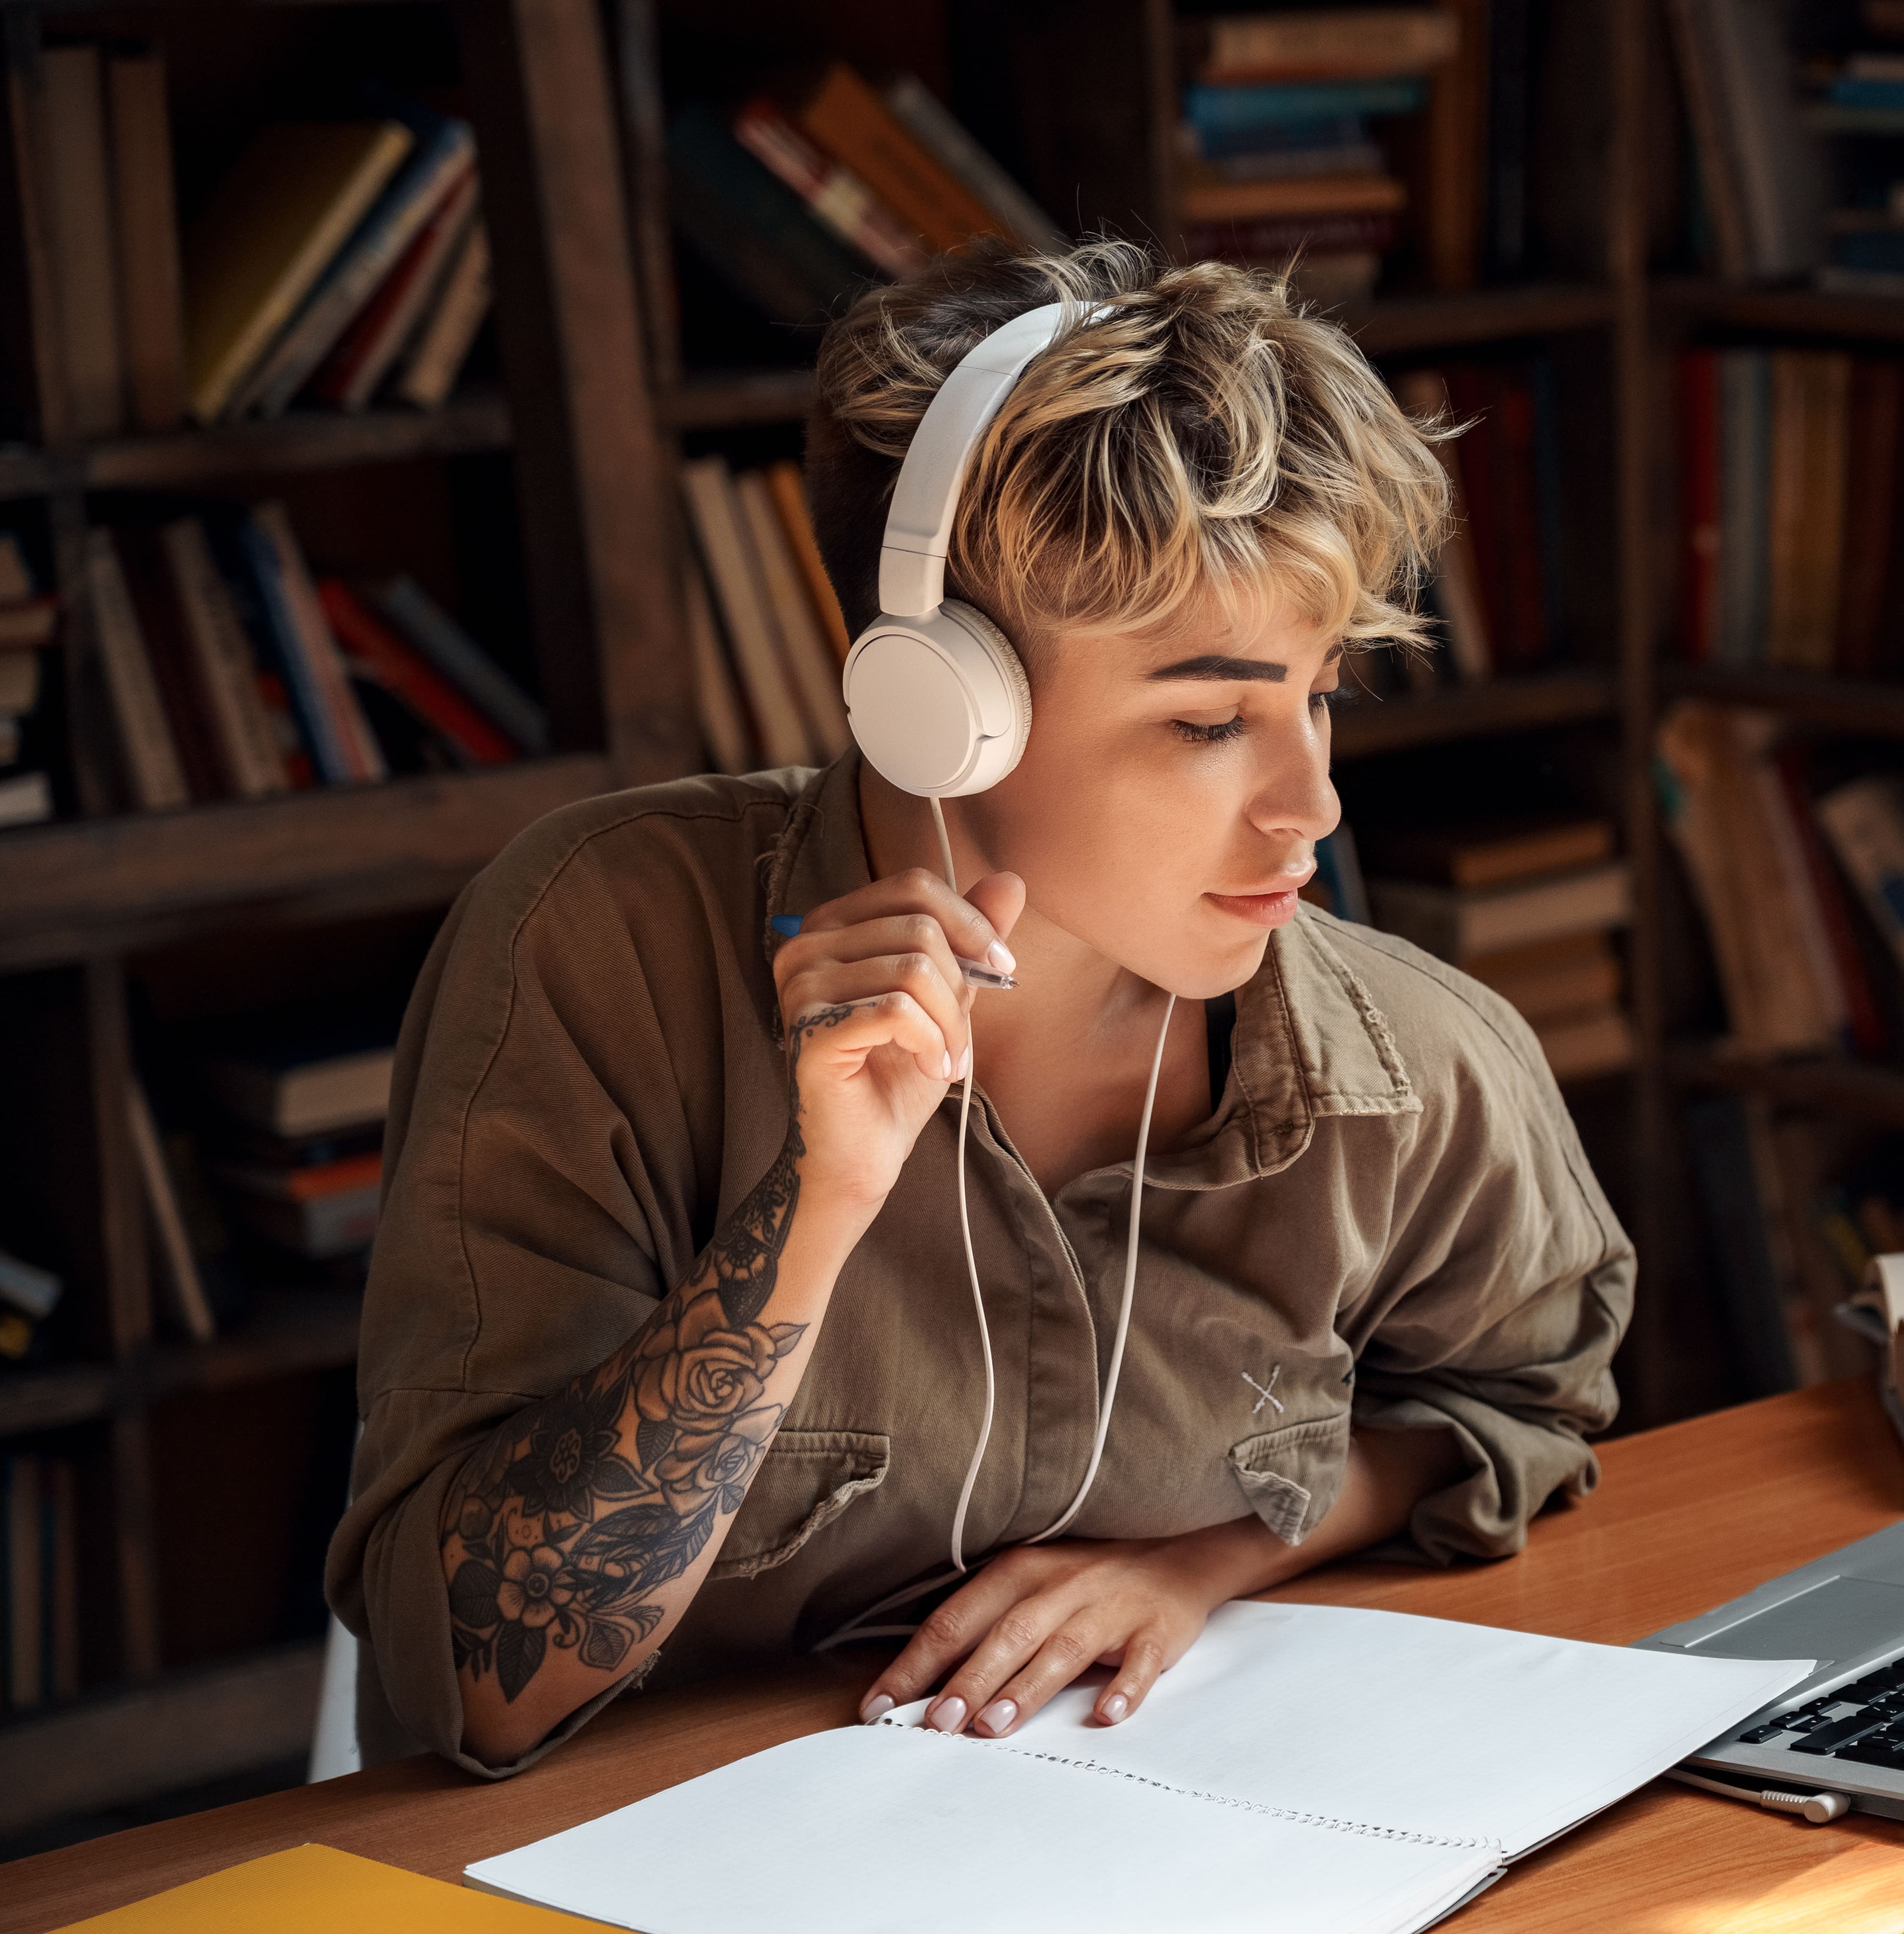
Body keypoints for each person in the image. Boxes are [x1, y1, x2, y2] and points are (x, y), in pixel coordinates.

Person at [323, 240, 1636, 1775]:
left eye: (1320, 694)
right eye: (1211, 720)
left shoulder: (1414, 1071)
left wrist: (1199, 1566)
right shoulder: (599, 947)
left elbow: (1520, 1413)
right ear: (941, 704)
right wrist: (815, 1211)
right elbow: (475, 1680)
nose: (1313, 808)